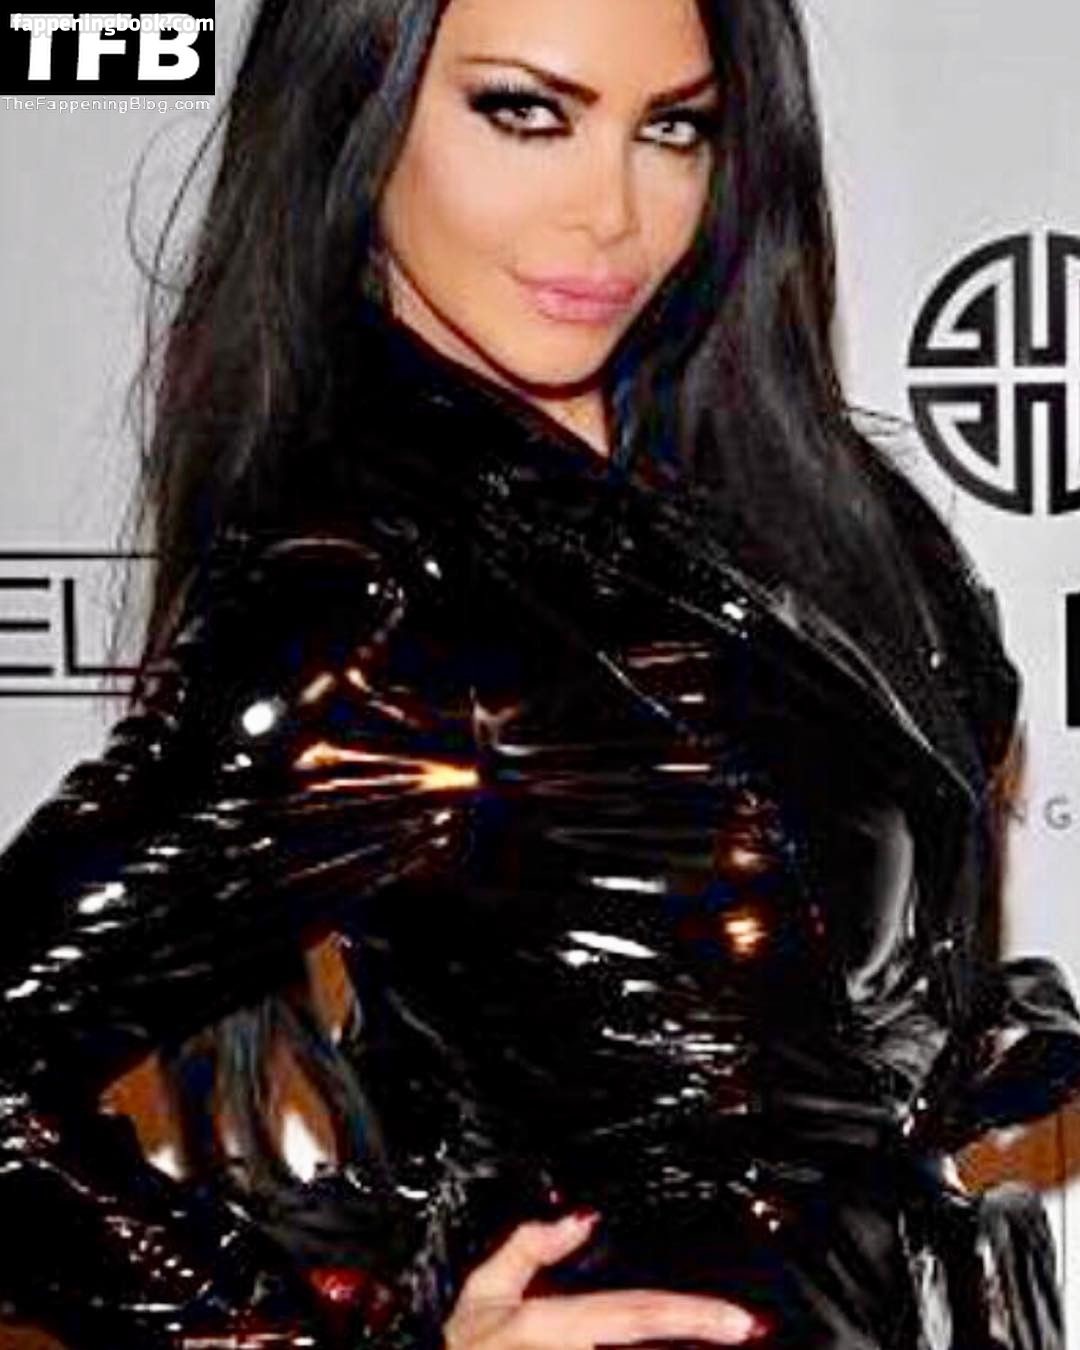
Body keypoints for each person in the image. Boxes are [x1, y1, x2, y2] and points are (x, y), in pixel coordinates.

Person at [2, 0, 1080, 1346]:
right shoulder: (377, 593)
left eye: (673, 128)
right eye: (525, 113)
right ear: (359, 110)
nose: (612, 214)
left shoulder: (791, 499)